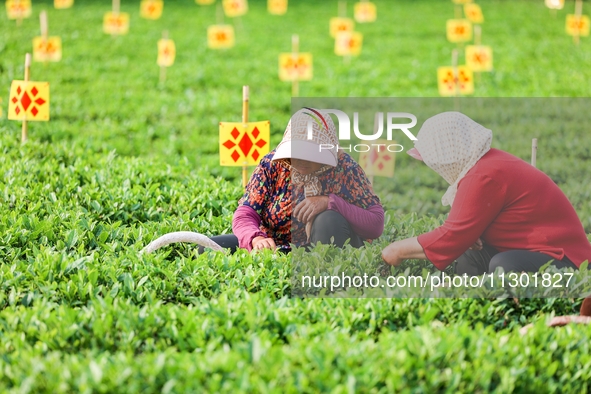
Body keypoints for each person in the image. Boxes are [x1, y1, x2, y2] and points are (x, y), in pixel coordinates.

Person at [381, 111, 591, 274]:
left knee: (504, 265)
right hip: (535, 252)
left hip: (567, 259)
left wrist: (397, 250)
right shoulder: (484, 166)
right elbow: (461, 233)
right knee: (470, 254)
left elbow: (450, 236)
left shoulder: (483, 176)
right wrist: (469, 235)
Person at [209, 107, 385, 253]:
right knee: (207, 248)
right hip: (277, 247)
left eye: (310, 154)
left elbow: (375, 225)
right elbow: (245, 214)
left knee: (328, 219)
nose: (302, 161)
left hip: (325, 250)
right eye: (296, 153)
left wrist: (330, 202)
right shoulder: (272, 166)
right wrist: (256, 238)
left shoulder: (345, 168)